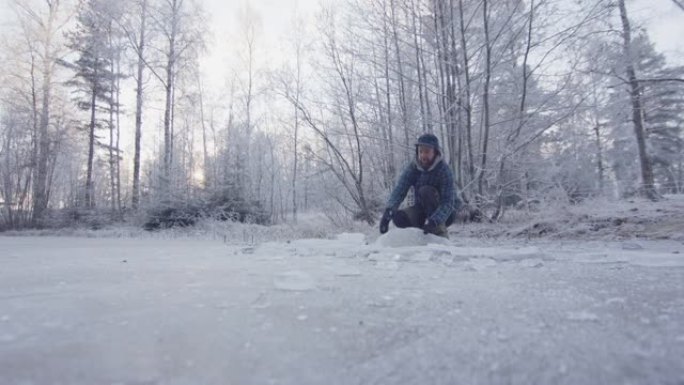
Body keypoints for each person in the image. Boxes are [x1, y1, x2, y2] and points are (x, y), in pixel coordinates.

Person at [379, 133, 457, 238]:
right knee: (399, 217)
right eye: (421, 151)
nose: (423, 155)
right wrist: (388, 212)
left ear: (435, 152)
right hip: (422, 208)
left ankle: (439, 235)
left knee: (426, 191)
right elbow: (400, 189)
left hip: (445, 213)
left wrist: (435, 221)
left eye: (427, 152)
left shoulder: (444, 171)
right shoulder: (413, 167)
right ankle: (419, 236)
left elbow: (448, 203)